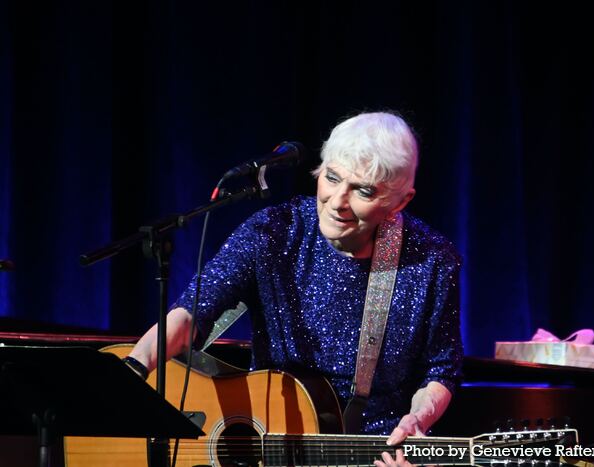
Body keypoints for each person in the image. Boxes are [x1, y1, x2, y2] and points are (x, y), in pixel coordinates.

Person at [125, 111, 463, 467]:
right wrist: (134, 368)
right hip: (266, 444)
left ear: (401, 201)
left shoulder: (432, 260)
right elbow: (193, 311)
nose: (337, 202)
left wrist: (418, 419)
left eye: (363, 191)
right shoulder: (275, 231)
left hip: (371, 452)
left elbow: (440, 371)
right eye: (332, 178)